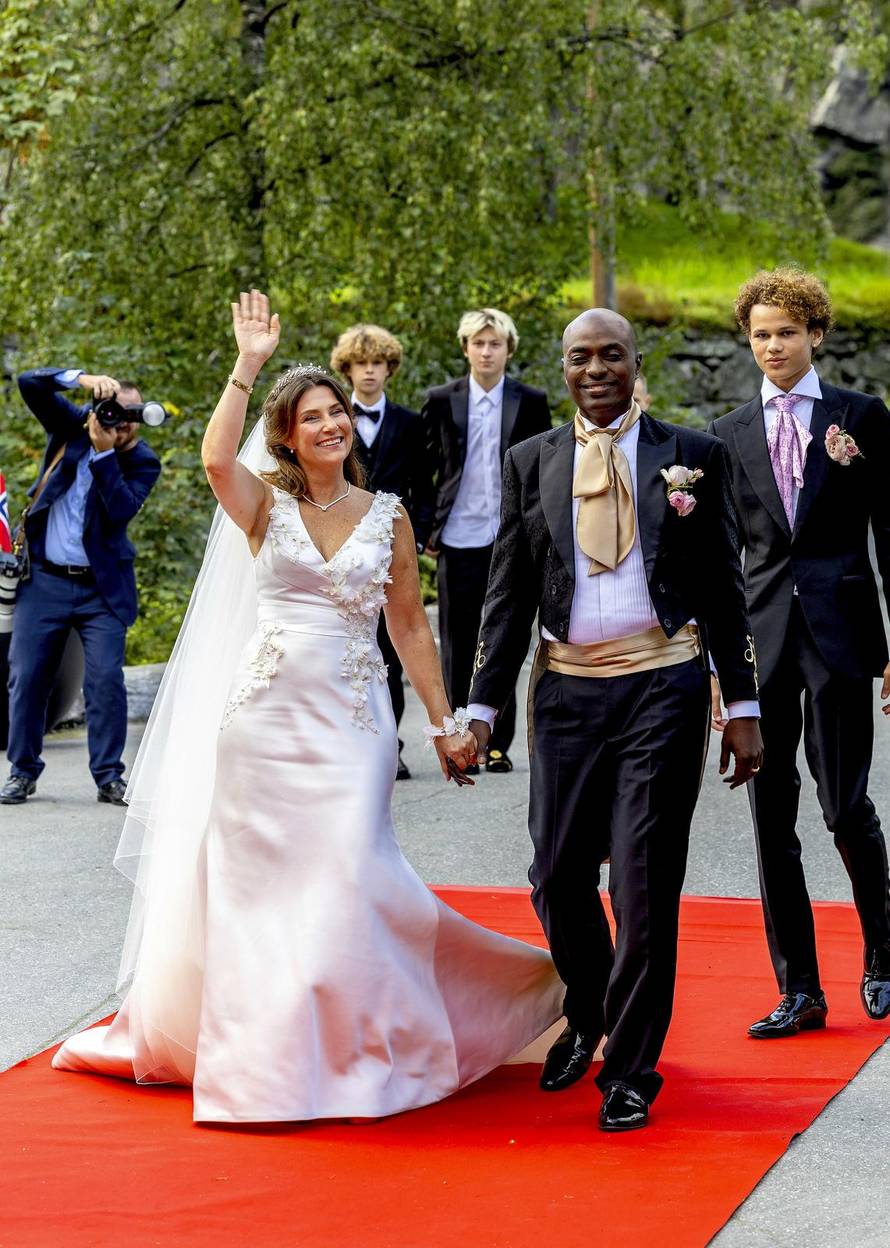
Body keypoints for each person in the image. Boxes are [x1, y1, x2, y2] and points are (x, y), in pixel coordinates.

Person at [52, 291, 563, 1124]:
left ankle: (373, 1042)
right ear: (287, 435)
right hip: (263, 725)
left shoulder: (388, 517)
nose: (331, 425)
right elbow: (218, 459)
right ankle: (272, 1060)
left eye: (337, 413)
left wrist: (442, 723)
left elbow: (409, 626)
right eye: (314, 416)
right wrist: (247, 365)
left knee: (351, 874)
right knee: (263, 895)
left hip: (354, 724)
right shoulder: (264, 506)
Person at [466, 309, 762, 1131]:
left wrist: (741, 704)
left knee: (641, 884)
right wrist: (482, 708)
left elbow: (723, 591)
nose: (595, 369)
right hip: (563, 693)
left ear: (636, 362)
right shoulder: (532, 461)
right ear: (562, 368)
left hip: (662, 691)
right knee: (556, 876)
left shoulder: (692, 458)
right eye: (579, 358)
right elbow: (507, 590)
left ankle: (631, 1066)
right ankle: (589, 1012)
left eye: (611, 356)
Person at [709, 268, 890, 1038]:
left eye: (786, 331)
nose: (773, 345)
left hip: (844, 631)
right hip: (760, 641)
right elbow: (720, 562)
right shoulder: (725, 434)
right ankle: (801, 990)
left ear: (815, 333)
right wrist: (720, 667)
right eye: (761, 334)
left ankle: (882, 954)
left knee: (844, 806)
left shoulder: (861, 416)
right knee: (769, 815)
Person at [0, 368, 161, 806]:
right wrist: (83, 379)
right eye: (113, 411)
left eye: (131, 415)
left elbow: (121, 511)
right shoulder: (68, 428)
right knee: (27, 676)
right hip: (45, 580)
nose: (121, 421)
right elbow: (30, 383)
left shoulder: (143, 461)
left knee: (106, 680)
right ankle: (23, 771)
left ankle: (109, 776)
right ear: (96, 411)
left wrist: (106, 456)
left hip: (101, 590)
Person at [422, 308, 551, 774]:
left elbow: (544, 471)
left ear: (508, 350)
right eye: (478, 343)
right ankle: (460, 737)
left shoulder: (530, 400)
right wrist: (425, 528)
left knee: (505, 635)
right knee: (457, 641)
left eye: (495, 343)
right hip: (458, 534)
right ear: (465, 348)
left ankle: (496, 742)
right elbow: (427, 466)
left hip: (509, 535)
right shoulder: (442, 399)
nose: (486, 351)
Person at [330, 323, 435, 779]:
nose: (369, 372)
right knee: (347, 648)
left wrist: (420, 534)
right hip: (339, 546)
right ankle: (344, 742)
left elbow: (423, 485)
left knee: (390, 653)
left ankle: (391, 745)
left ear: (388, 369)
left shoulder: (412, 423)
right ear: (347, 369)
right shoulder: (330, 420)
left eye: (377, 364)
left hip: (391, 545)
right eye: (360, 364)